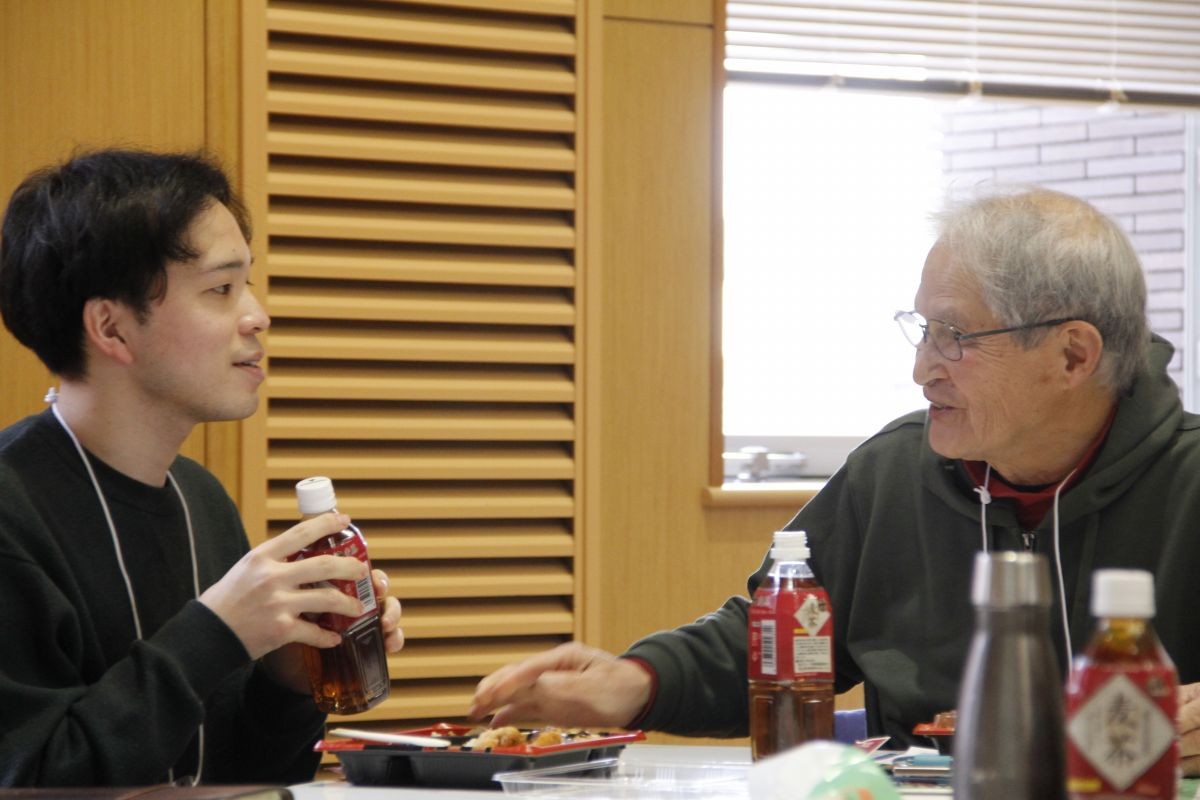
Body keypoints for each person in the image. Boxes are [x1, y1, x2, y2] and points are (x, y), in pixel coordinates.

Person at [470, 188, 1200, 774]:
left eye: (956, 337)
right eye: (923, 330)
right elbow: (780, 635)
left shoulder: (1188, 482)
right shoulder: (893, 473)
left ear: (1072, 356)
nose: (922, 369)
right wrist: (641, 681)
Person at [0, 148, 404, 786]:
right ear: (111, 327)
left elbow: (233, 776)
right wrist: (216, 632)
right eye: (222, 289)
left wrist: (287, 677)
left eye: (248, 284)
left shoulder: (202, 498)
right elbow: (31, 779)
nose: (257, 315)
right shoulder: (11, 512)